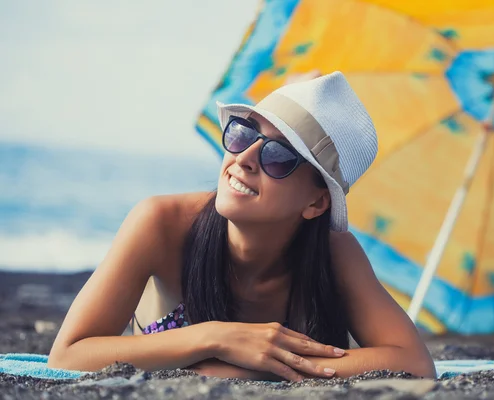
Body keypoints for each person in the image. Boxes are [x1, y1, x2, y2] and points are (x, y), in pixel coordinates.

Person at [48, 71, 436, 381]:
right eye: (243, 133)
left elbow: (414, 362)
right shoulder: (160, 223)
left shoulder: (335, 252)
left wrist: (258, 365)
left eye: (280, 155)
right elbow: (69, 355)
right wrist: (217, 336)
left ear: (317, 202)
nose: (245, 158)